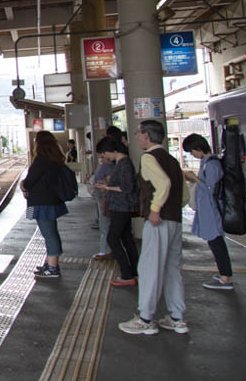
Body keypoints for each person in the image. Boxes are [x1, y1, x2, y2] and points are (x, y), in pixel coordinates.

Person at [119, 120, 190, 335]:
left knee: (150, 268)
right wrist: (171, 210)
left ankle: (145, 319)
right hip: (175, 220)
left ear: (147, 136)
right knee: (172, 269)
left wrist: (156, 208)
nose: (138, 138)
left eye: (139, 134)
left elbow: (164, 184)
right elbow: (184, 195)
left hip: (157, 221)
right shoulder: (171, 159)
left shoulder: (149, 157)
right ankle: (177, 318)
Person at [182, 133, 234, 290]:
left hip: (212, 210)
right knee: (215, 242)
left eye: (192, 151)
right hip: (209, 210)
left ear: (198, 148)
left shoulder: (212, 165)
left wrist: (194, 178)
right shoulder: (208, 163)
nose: (192, 155)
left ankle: (225, 278)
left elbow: (211, 189)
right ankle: (224, 274)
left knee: (216, 242)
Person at [95, 136, 140, 286]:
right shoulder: (121, 162)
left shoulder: (124, 163)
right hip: (121, 206)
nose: (104, 157)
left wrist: (106, 187)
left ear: (112, 150)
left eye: (104, 153)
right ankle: (135, 272)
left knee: (112, 239)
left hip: (122, 206)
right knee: (126, 238)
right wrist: (107, 184)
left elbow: (127, 187)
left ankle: (127, 275)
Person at [23, 130, 68, 279]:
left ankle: (52, 267)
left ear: (39, 143)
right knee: (50, 232)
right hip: (51, 202)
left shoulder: (41, 160)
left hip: (42, 204)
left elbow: (29, 182)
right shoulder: (54, 159)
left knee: (49, 234)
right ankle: (51, 263)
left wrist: (23, 185)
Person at [90, 147, 114, 261]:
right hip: (102, 197)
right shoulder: (104, 166)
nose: (100, 158)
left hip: (104, 198)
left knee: (105, 224)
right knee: (104, 223)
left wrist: (104, 194)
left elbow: (108, 183)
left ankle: (106, 251)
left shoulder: (107, 167)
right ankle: (106, 249)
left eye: (102, 155)